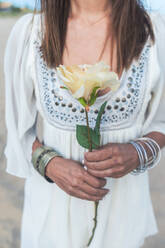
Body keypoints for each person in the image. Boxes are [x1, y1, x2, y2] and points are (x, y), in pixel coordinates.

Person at [4, 0, 165, 247]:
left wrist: (139, 152)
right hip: (49, 222)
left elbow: (161, 121)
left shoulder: (154, 33)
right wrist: (50, 164)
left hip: (122, 221)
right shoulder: (32, 33)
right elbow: (17, 131)